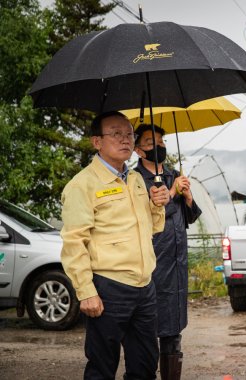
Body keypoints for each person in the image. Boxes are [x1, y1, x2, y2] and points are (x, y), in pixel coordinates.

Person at [60, 111, 171, 379]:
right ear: (96, 142)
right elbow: (74, 242)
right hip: (108, 288)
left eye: (129, 134)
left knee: (145, 365)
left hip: (144, 287)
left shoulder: (134, 179)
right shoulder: (83, 185)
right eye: (116, 133)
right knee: (102, 366)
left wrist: (158, 205)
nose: (125, 140)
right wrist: (86, 291)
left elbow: (153, 228)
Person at [133, 124, 202, 380]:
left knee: (173, 334)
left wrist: (187, 196)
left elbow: (189, 218)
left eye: (161, 142)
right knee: (149, 331)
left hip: (177, 265)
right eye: (151, 142)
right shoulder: (136, 180)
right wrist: (171, 194)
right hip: (153, 265)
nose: (159, 146)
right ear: (139, 150)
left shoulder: (173, 174)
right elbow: (148, 218)